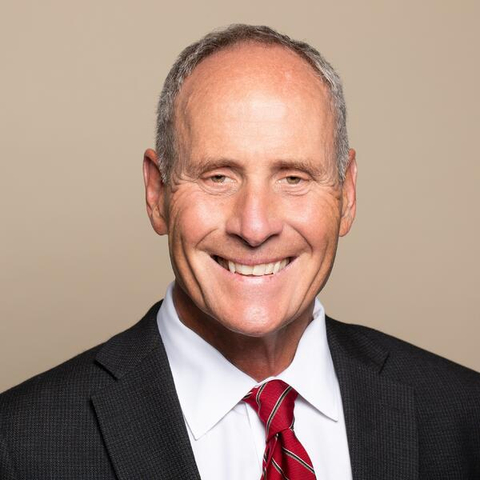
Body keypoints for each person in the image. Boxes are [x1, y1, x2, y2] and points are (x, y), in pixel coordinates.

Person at [1, 24, 479, 480]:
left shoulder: (463, 416)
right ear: (157, 193)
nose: (254, 227)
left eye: (293, 178)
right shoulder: (22, 444)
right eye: (218, 177)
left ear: (347, 195)